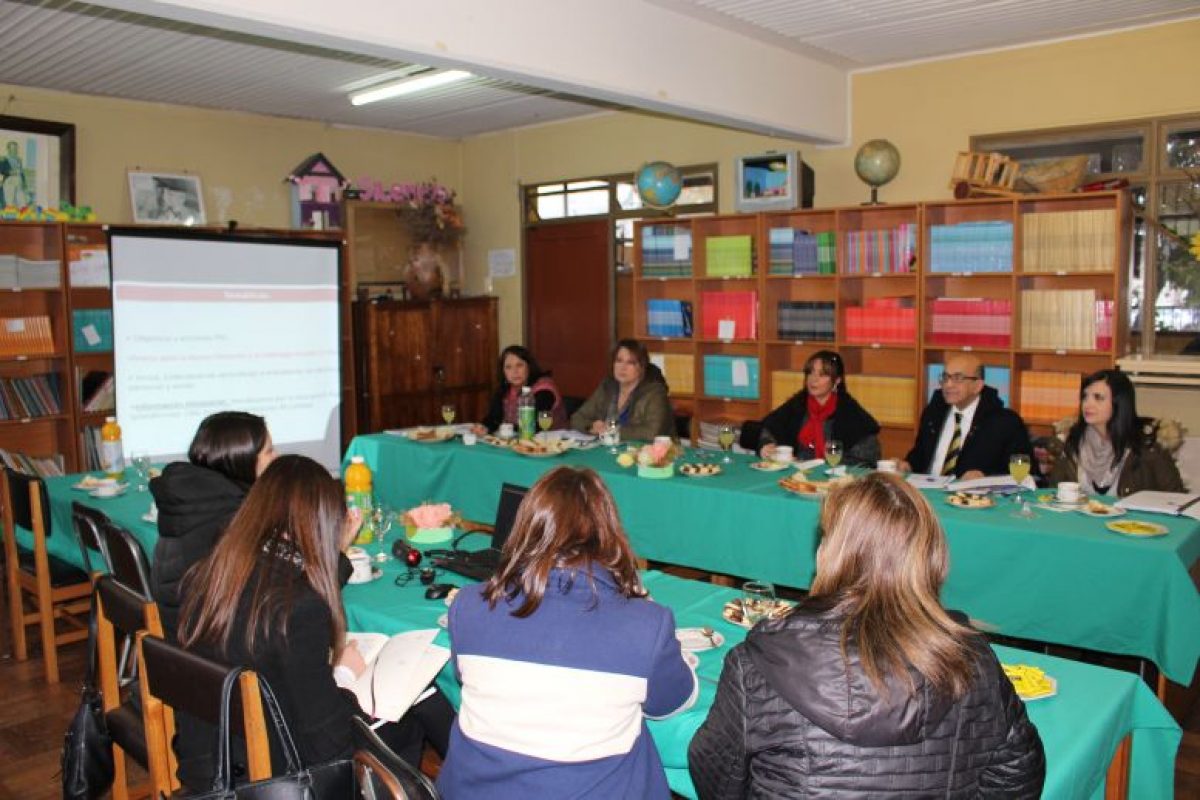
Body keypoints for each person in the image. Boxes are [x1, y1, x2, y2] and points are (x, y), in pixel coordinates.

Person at [688, 473, 1045, 798]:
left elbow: (717, 780)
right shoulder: (974, 659)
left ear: (828, 555)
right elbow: (1018, 777)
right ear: (930, 557)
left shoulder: (757, 665)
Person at [175, 455, 452, 789]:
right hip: (280, 775)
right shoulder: (298, 609)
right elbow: (328, 743)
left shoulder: (208, 575)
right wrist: (346, 678)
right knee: (415, 709)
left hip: (213, 760)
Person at [438, 466, 696, 799]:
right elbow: (672, 704)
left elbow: (467, 676)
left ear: (525, 528)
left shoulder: (467, 605)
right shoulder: (647, 624)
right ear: (609, 534)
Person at [149, 411, 276, 637]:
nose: (277, 457)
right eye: (269, 451)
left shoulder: (197, 498)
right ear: (242, 459)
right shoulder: (232, 518)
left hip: (177, 638)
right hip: (209, 645)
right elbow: (281, 594)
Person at [1048, 369, 1184, 497]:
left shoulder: (1149, 446)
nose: (1087, 404)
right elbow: (1052, 495)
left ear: (1119, 403)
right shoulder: (1072, 440)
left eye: (1098, 398)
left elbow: (1176, 501)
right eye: (1085, 397)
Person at [901, 353, 1032, 478]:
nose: (948, 384)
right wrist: (908, 465)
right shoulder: (933, 412)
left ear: (977, 385)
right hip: (929, 490)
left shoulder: (1005, 423)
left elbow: (1022, 472)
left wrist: (985, 477)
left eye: (958, 378)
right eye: (945, 377)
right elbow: (920, 454)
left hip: (977, 493)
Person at [757, 350, 880, 465]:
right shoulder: (797, 405)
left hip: (835, 475)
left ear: (837, 380)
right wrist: (766, 445)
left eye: (822, 375)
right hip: (796, 473)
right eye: (810, 372)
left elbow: (867, 458)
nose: (813, 379)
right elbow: (769, 429)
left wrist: (829, 464)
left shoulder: (849, 412)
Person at [570, 339, 675, 441]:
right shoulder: (607, 386)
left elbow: (652, 432)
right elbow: (577, 418)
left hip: (649, 450)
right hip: (609, 447)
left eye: (630, 363)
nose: (622, 367)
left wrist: (611, 430)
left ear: (641, 367)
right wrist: (592, 426)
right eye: (619, 361)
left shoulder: (655, 393)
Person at [475, 344, 568, 433]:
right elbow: (494, 418)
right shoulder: (505, 390)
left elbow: (534, 426)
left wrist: (504, 429)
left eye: (519, 365)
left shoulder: (544, 389)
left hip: (551, 440)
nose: (514, 371)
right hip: (514, 439)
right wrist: (484, 427)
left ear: (529, 366)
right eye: (508, 367)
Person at [0, 140, 32, 207]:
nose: (15, 150)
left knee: (22, 200)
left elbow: (21, 172)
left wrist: (24, 182)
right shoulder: (4, 159)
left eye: (16, 148)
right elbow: (1, 170)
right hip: (9, 182)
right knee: (10, 200)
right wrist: (10, 172)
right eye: (13, 149)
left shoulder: (19, 160)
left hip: (19, 181)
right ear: (8, 149)